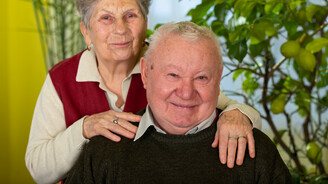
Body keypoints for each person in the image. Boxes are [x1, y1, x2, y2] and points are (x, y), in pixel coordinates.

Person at [25, 0, 261, 184]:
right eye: (106, 18)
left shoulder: (166, 67)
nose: (120, 29)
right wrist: (85, 128)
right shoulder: (61, 79)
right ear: (86, 31)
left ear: (145, 22)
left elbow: (216, 103)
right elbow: (38, 170)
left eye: (130, 15)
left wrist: (236, 114)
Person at [65, 21, 292, 184]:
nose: (186, 93)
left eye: (201, 77)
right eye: (173, 75)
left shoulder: (253, 149)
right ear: (145, 73)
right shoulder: (104, 150)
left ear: (219, 78)